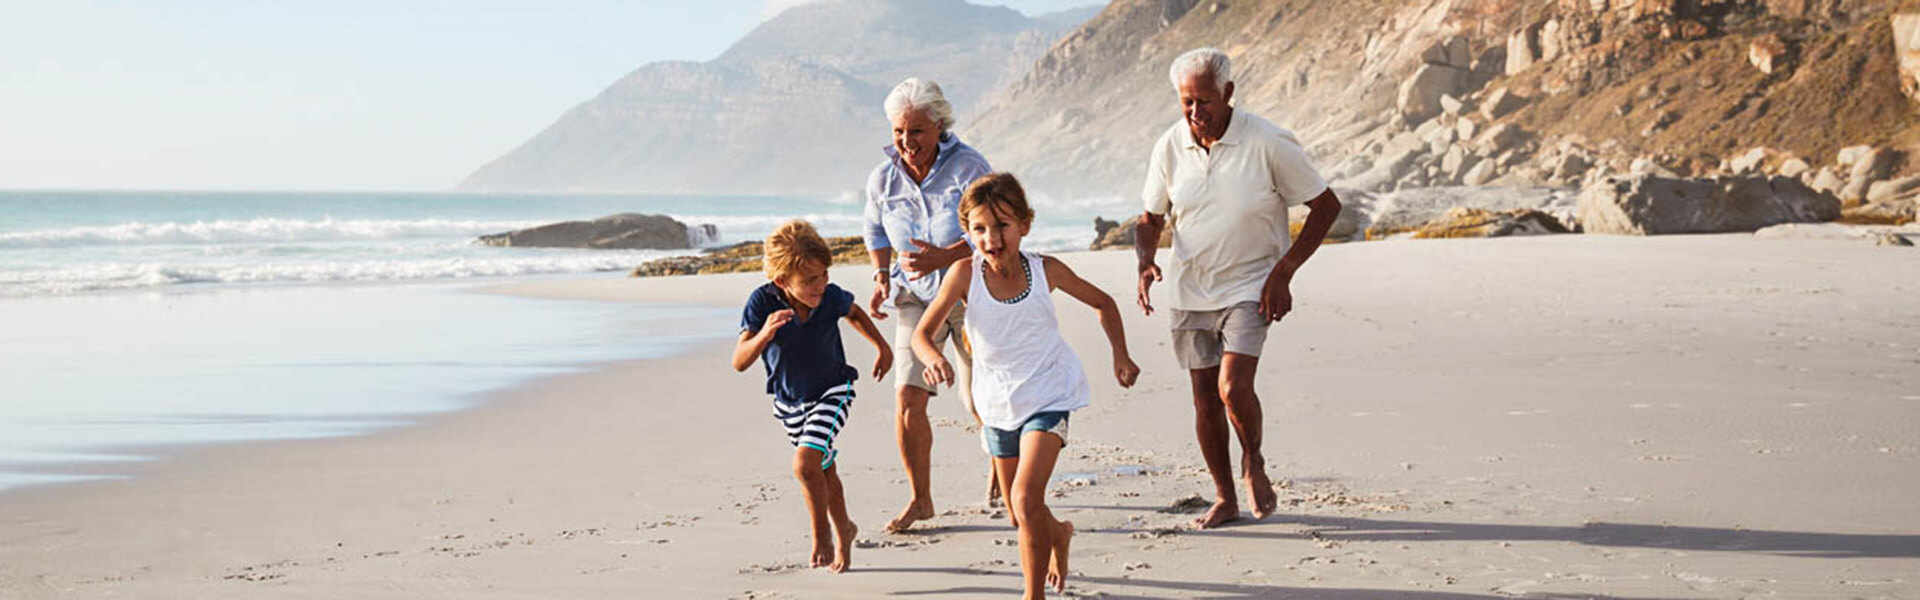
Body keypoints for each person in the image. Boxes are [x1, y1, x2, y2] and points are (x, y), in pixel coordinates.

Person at [1134, 47, 1344, 529]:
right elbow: (1150, 217)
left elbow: (1326, 206)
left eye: (1204, 101)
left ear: (1228, 93)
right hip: (1190, 290)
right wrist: (1145, 262)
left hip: (1252, 284)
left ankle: (1254, 460)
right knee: (1204, 399)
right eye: (1186, 102)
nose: (1195, 112)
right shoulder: (1169, 145)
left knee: (1232, 387)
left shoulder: (1268, 141)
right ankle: (1225, 497)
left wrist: (1284, 270)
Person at [915, 173, 1140, 598]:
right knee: (1023, 514)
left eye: (1001, 226)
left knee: (1023, 496)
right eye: (979, 229)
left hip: (1049, 393)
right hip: (997, 402)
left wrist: (1121, 355)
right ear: (967, 232)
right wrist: (933, 359)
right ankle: (1058, 533)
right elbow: (922, 334)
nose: (991, 238)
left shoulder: (1046, 270)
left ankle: (1031, 594)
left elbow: (1103, 303)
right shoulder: (964, 274)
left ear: (1025, 224)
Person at [862, 77, 998, 531]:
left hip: (969, 290)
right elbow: (876, 232)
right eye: (899, 131)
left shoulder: (969, 167)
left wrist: (947, 255)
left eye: (916, 131)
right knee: (907, 397)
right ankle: (921, 499)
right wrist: (881, 276)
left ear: (939, 125)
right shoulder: (883, 178)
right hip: (914, 296)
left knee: (983, 395)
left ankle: (1002, 464)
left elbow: (994, 227)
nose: (906, 142)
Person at [731, 220, 893, 573]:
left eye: (823, 276)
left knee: (805, 464)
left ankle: (822, 534)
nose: (820, 285)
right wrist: (766, 334)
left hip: (833, 389)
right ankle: (845, 528)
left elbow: (853, 312)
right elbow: (740, 361)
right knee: (823, 468)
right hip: (789, 403)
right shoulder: (762, 302)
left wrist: (881, 346)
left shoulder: (829, 296)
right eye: (809, 281)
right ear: (781, 281)